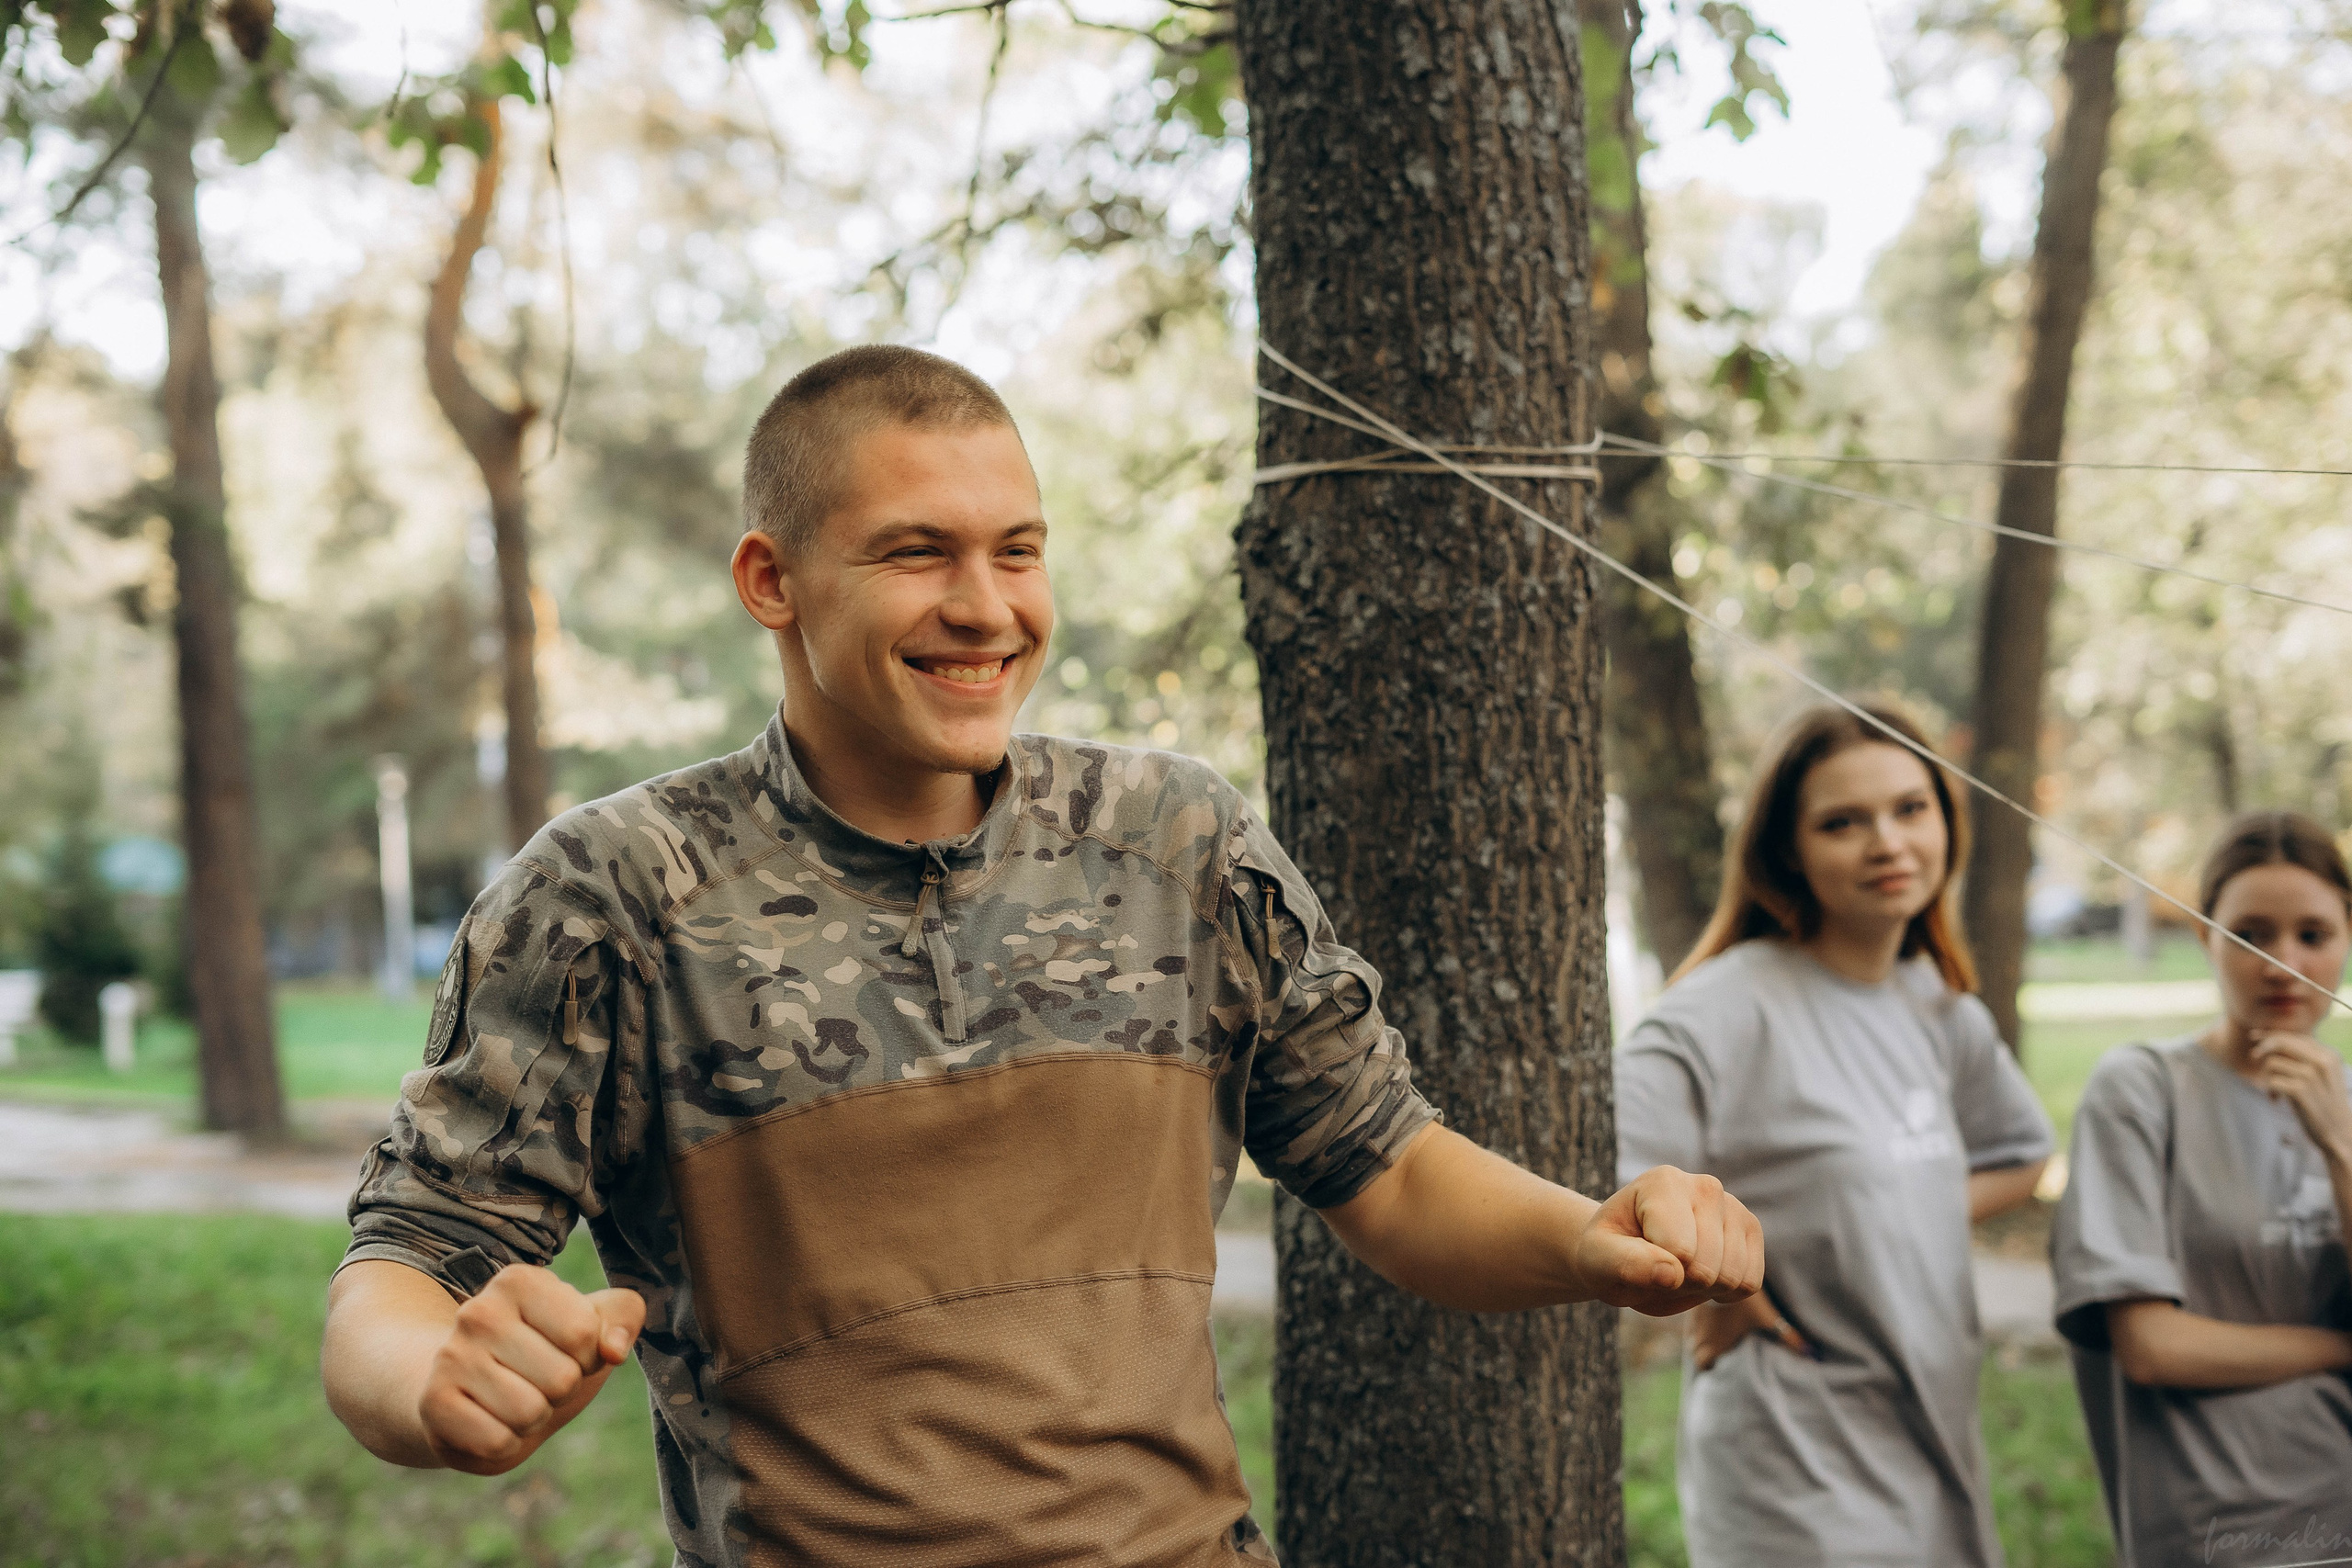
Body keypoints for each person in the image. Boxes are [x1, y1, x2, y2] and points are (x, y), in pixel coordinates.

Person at [319, 345, 1764, 1567]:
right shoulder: (614, 893)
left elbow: (1390, 1169)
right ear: (772, 578)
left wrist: (1588, 1236)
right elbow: (403, 1267)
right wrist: (430, 1381)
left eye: (1017, 550)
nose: (988, 606)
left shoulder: (1177, 842)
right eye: (916, 553)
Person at [1615, 700, 2054, 1567]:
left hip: (1935, 1437)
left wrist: (1886, 1213)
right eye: (1842, 822)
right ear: (1788, 848)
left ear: (1946, 819)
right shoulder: (1720, 1007)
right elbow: (1611, 1190)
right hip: (1795, 1454)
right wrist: (1718, 1287)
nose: (1887, 841)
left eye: (1909, 808)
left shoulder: (1937, 1004)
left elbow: (2022, 1154)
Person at [2050, 811, 2352, 1568]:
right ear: (2204, 936)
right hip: (2213, 1528)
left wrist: (2339, 1145)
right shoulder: (2143, 1088)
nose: (2282, 964)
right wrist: (2340, 1346)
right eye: (2252, 933)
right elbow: (2151, 1346)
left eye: (2313, 934)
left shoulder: (2346, 1108)